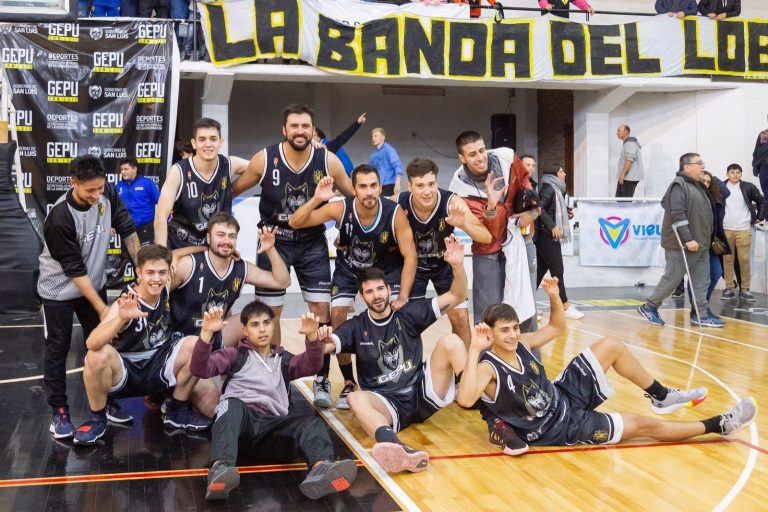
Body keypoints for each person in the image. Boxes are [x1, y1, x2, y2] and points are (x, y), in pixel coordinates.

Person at [457, 278, 756, 453]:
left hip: (563, 394)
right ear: (490, 333)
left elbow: (557, 327)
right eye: (504, 331)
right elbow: (466, 399)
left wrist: (554, 297)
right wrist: (474, 349)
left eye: (514, 328)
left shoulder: (522, 343)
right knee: (641, 425)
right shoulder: (488, 368)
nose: (512, 335)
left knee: (611, 344)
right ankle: (719, 424)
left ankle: (661, 396)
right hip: (562, 427)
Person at [190, 302, 357, 501]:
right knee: (230, 404)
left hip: (273, 431)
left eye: (267, 323)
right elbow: (200, 369)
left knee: (313, 423)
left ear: (273, 325)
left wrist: (312, 338)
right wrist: (206, 334)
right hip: (241, 428)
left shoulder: (284, 360)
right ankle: (221, 469)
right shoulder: (234, 356)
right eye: (255, 324)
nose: (262, 329)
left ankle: (321, 469)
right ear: (245, 331)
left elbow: (311, 365)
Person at [332, 236, 468, 473]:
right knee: (354, 398)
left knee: (452, 342)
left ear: (389, 290)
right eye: (369, 291)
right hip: (387, 403)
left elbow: (456, 295)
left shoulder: (408, 313)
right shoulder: (355, 326)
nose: (376, 295)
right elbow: (326, 346)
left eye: (379, 289)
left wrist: (457, 266)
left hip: (421, 392)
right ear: (362, 297)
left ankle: (491, 412)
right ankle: (397, 449)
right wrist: (313, 336)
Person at [289, 165, 417, 410]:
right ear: (354, 189)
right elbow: (295, 222)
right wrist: (317, 198)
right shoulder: (341, 208)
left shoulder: (394, 213)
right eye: (363, 186)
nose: (369, 191)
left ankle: (393, 375)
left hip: (381, 272)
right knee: (336, 315)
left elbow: (410, 255)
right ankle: (349, 381)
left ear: (380, 187)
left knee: (393, 318)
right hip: (348, 271)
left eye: (373, 185)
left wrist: (403, 295)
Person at [232, 104, 354, 346]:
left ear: (313, 130)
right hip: (273, 241)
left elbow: (353, 198)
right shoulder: (265, 158)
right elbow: (232, 191)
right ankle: (275, 365)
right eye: (294, 126)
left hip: (312, 240)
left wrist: (346, 232)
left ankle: (318, 367)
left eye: (305, 126)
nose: (300, 131)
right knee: (269, 313)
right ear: (284, 130)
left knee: (321, 310)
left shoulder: (328, 160)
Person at [38, 155, 141, 439]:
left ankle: (106, 402)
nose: (96, 196)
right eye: (89, 191)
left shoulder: (107, 194)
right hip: (58, 289)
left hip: (92, 283)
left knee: (102, 344)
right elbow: (75, 270)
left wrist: (142, 268)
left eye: (99, 188)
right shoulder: (59, 218)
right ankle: (59, 412)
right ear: (73, 183)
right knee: (58, 348)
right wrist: (102, 309)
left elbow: (127, 229)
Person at [72, 245, 216, 445]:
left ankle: (176, 411)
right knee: (96, 356)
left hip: (157, 365)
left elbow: (174, 254)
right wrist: (121, 319)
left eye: (162, 272)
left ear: (169, 273)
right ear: (138, 273)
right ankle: (98, 419)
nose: (156, 278)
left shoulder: (164, 287)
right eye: (150, 272)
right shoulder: (126, 301)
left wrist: (208, 247)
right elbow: (91, 342)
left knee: (195, 344)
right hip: (127, 372)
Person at [398, 158, 491, 346]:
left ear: (437, 182)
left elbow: (486, 237)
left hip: (444, 264)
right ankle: (412, 363)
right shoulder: (399, 203)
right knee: (409, 320)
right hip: (413, 266)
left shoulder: (452, 202)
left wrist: (463, 224)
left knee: (461, 318)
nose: (427, 191)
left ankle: (464, 364)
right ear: (409, 186)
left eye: (431, 184)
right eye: (420, 185)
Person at [449, 131, 539, 326]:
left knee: (525, 312)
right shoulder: (459, 190)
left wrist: (532, 212)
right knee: (488, 315)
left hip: (522, 241)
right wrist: (491, 207)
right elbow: (488, 235)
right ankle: (486, 348)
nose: (480, 157)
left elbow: (525, 181)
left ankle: (527, 347)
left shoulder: (506, 158)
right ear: (462, 158)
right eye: (472, 154)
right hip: (488, 253)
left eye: (482, 150)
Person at [170, 212, 291, 350]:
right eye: (220, 235)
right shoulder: (188, 265)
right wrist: (176, 254)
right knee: (193, 347)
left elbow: (283, 282)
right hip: (180, 343)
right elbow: (158, 296)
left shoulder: (241, 268)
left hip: (214, 338)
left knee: (255, 319)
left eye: (231, 236)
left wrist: (270, 249)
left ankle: (267, 361)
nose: (226, 241)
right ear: (208, 238)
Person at [638, 153, 724, 328]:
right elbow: (678, 214)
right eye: (699, 163)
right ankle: (649, 307)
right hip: (683, 245)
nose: (702, 166)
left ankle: (700, 314)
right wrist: (688, 238)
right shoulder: (679, 185)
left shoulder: (699, 186)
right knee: (672, 279)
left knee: (702, 281)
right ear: (687, 167)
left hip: (701, 244)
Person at [154, 117, 248, 250]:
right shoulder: (179, 170)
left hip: (213, 248)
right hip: (180, 244)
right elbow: (161, 216)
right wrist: (162, 254)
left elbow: (261, 168)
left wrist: (232, 191)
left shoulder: (230, 164)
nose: (208, 144)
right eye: (202, 139)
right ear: (194, 143)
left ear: (221, 142)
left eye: (213, 139)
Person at [536, 164, 583, 320]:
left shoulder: (554, 188)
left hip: (547, 236)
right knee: (557, 270)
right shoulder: (549, 188)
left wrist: (565, 214)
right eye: (561, 171)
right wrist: (552, 226)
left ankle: (525, 305)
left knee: (539, 272)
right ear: (554, 174)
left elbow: (550, 209)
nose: (564, 174)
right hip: (546, 236)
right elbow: (540, 209)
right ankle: (564, 305)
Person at [721, 163, 765, 301]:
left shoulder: (748, 187)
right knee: (727, 259)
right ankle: (729, 287)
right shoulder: (720, 187)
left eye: (738, 172)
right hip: (726, 229)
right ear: (727, 174)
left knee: (744, 260)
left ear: (741, 174)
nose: (735, 175)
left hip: (744, 229)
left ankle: (745, 289)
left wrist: (759, 217)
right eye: (732, 172)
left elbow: (762, 201)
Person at [115, 158, 160, 246]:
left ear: (134, 169)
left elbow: (161, 201)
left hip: (145, 227)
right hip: (127, 229)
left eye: (126, 169)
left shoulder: (147, 183)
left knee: (146, 253)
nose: (123, 172)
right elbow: (115, 208)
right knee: (128, 254)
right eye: (121, 169)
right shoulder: (118, 186)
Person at [369, 127, 403, 197]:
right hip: (377, 185)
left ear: (383, 137)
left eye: (376, 136)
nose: (373, 138)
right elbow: (371, 171)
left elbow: (397, 166)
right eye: (372, 136)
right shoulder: (373, 154)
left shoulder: (389, 150)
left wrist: (397, 184)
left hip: (389, 185)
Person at [616, 124, 644, 198]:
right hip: (627, 178)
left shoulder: (630, 144)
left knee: (625, 202)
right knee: (620, 200)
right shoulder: (628, 143)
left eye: (619, 131)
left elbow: (629, 160)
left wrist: (622, 175)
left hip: (628, 178)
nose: (617, 133)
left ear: (626, 131)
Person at [752, 116, 768, 216]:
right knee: (766, 193)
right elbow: (756, 151)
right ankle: (767, 217)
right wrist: (755, 165)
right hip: (764, 169)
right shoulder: (763, 134)